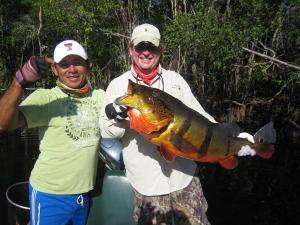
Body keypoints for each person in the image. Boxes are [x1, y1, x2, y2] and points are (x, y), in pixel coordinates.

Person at [99, 23, 215, 225]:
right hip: (146, 186)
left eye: (151, 47)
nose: (146, 52)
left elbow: (200, 117)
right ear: (130, 49)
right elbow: (107, 133)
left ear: (159, 50)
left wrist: (230, 137)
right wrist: (117, 117)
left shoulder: (175, 80)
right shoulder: (118, 85)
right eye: (140, 47)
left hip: (184, 179)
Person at [0, 40, 105, 225]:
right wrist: (19, 81)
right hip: (50, 195)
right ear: (55, 69)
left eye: (77, 63)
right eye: (64, 64)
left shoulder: (100, 96)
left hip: (84, 194)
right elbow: (3, 123)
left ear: (88, 66)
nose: (71, 69)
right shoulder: (46, 97)